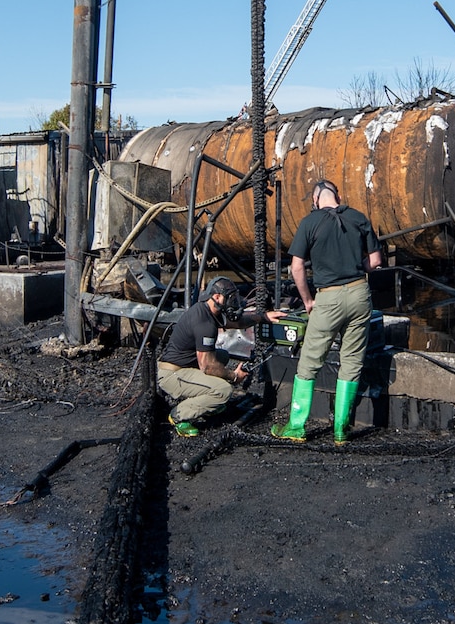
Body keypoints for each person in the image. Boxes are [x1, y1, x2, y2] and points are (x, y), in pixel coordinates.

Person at [272, 178, 382, 443]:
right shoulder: (358, 217)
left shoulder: (309, 223)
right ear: (338, 197)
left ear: (315, 200)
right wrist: (356, 268)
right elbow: (376, 261)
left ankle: (297, 427)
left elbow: (296, 268)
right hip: (358, 293)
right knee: (352, 362)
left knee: (309, 362)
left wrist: (308, 300)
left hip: (327, 298)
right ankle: (341, 430)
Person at [157, 276, 258, 437]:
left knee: (222, 356)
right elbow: (208, 366)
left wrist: (263, 317)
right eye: (230, 298)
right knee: (223, 390)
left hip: (183, 366)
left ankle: (206, 400)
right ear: (217, 297)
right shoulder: (205, 323)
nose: (233, 302)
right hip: (172, 374)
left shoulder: (208, 310)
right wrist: (233, 376)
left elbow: (237, 323)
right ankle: (179, 415)